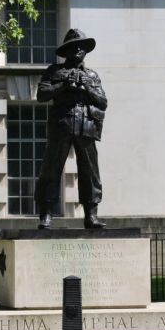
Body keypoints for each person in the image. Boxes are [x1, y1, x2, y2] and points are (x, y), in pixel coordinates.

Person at [34, 28, 107, 229]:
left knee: (90, 172)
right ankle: (46, 215)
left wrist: (87, 87)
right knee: (51, 170)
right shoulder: (54, 71)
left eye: (81, 47)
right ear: (66, 51)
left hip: (87, 126)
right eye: (74, 47)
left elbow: (103, 102)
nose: (78, 50)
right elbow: (42, 95)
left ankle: (91, 215)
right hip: (61, 126)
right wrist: (64, 85)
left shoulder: (92, 75)